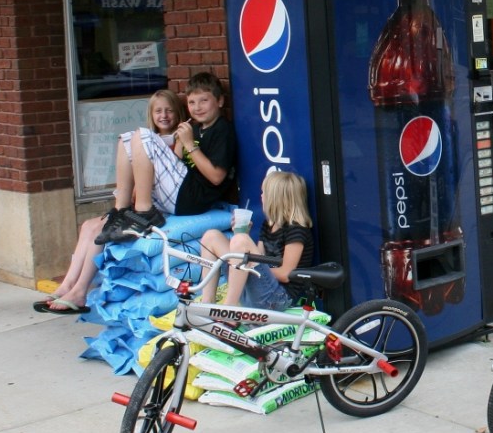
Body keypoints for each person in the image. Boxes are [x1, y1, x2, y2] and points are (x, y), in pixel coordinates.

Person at [35, 89, 182, 314]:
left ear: (178, 113)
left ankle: (80, 291)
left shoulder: (173, 139)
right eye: (158, 111)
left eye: (169, 110)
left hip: (160, 205)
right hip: (136, 203)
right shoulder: (140, 143)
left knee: (98, 230)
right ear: (150, 114)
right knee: (88, 225)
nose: (164, 115)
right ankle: (67, 285)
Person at [95, 70, 237, 244]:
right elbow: (177, 163)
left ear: (220, 101)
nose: (197, 107)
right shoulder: (195, 128)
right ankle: (121, 210)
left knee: (143, 135)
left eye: (204, 101)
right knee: (126, 139)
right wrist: (180, 143)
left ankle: (144, 211)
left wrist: (190, 145)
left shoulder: (222, 129)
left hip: (192, 198)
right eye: (192, 102)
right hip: (179, 192)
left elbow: (216, 177)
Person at [198, 169, 314, 311]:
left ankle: (229, 309)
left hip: (278, 298)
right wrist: (241, 236)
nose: (261, 196)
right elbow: (258, 256)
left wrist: (248, 262)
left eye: (264, 193)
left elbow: (285, 274)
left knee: (241, 241)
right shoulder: (269, 224)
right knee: (211, 237)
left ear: (275, 198)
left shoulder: (296, 229)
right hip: (257, 291)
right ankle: (207, 303)